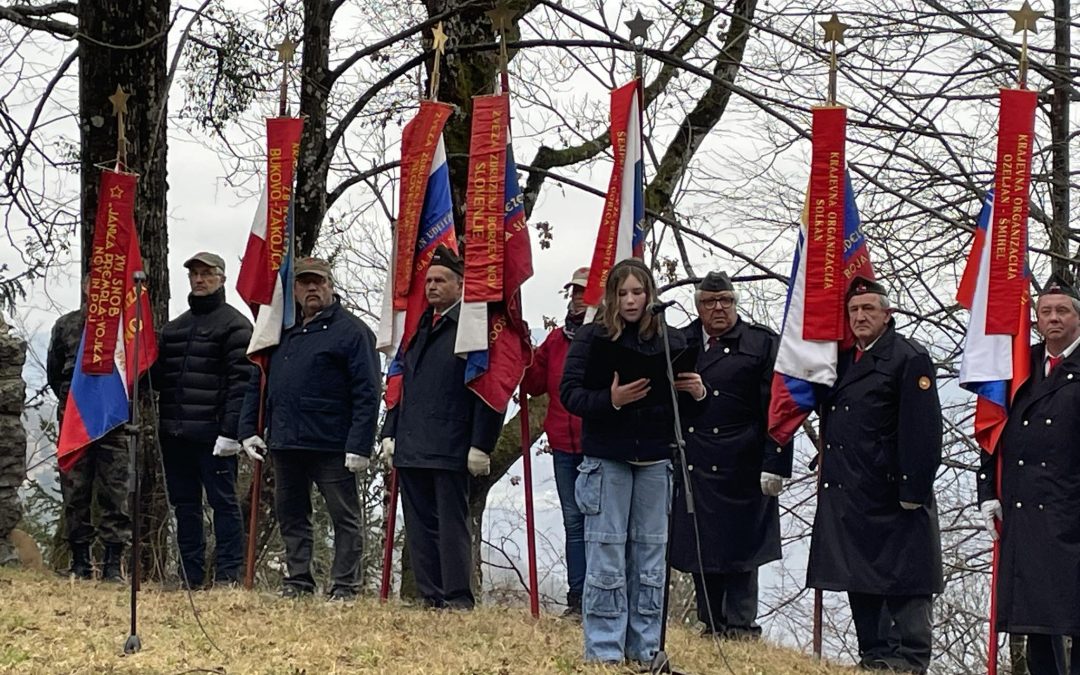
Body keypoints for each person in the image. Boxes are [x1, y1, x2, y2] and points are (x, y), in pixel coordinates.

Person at [560, 258, 706, 665]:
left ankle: (644, 651)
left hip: (656, 459)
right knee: (606, 552)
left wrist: (697, 394)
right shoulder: (592, 338)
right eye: (622, 293)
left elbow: (686, 415)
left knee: (650, 556)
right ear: (610, 297)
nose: (630, 300)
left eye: (637, 292)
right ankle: (604, 651)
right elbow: (569, 394)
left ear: (650, 295)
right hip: (607, 459)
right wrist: (611, 400)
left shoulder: (670, 340)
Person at [807, 276, 943, 674]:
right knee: (859, 577)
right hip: (852, 491)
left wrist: (913, 488)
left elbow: (922, 431)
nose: (860, 316)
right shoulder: (845, 360)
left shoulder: (908, 357)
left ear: (888, 314)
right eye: (854, 310)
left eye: (869, 309)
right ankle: (875, 654)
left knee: (905, 579)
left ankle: (910, 659)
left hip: (893, 495)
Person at [238, 257, 381, 600]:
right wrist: (248, 428)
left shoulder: (353, 332)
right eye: (305, 283)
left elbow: (368, 391)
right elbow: (258, 382)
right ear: (295, 290)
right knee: (292, 515)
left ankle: (345, 586)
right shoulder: (281, 332)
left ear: (331, 285)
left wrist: (360, 445)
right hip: (286, 441)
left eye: (319, 281)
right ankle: (298, 580)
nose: (312, 288)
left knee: (343, 517)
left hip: (333, 445)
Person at [379, 245, 503, 610]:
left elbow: (487, 389)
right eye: (429, 280)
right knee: (418, 526)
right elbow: (403, 383)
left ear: (461, 285)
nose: (432, 286)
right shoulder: (419, 328)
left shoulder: (471, 331)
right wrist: (390, 430)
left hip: (452, 443)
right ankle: (431, 596)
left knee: (451, 526)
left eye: (441, 280)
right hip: (413, 442)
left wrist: (482, 443)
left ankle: (457, 599)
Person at [671, 271, 792, 639]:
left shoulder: (760, 344)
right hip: (694, 462)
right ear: (699, 306)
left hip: (743, 461)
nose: (719, 308)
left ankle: (741, 626)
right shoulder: (680, 341)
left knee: (741, 549)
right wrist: (692, 395)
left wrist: (776, 463)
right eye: (710, 302)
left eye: (725, 301)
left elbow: (779, 407)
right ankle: (712, 623)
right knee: (700, 546)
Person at [978, 274, 1080, 675]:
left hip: (1071, 516)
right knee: (1037, 624)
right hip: (1026, 515)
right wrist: (987, 490)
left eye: (1063, 311)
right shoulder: (1021, 366)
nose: (1054, 318)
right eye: (1046, 311)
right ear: (1035, 318)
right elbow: (994, 429)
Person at [155, 252, 253, 588]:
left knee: (223, 504)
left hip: (214, 437)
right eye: (195, 274)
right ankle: (190, 575)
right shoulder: (174, 328)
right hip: (175, 433)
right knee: (185, 507)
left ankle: (228, 576)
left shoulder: (236, 326)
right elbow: (159, 379)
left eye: (207, 273)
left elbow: (241, 385)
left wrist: (230, 432)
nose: (200, 279)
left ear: (222, 278)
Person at [46, 277, 130, 582]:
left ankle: (112, 564)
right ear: (84, 287)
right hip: (75, 419)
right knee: (75, 491)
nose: (100, 288)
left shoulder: (125, 328)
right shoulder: (67, 326)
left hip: (113, 422)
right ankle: (79, 562)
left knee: (115, 492)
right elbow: (55, 374)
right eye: (95, 282)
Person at [521, 266, 588, 617]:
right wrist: (522, 353)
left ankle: (603, 595)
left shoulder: (606, 337)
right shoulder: (556, 341)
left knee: (603, 525)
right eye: (575, 292)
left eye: (584, 291)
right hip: (563, 444)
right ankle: (577, 598)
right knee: (573, 523)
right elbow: (534, 384)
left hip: (599, 446)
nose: (578, 297)